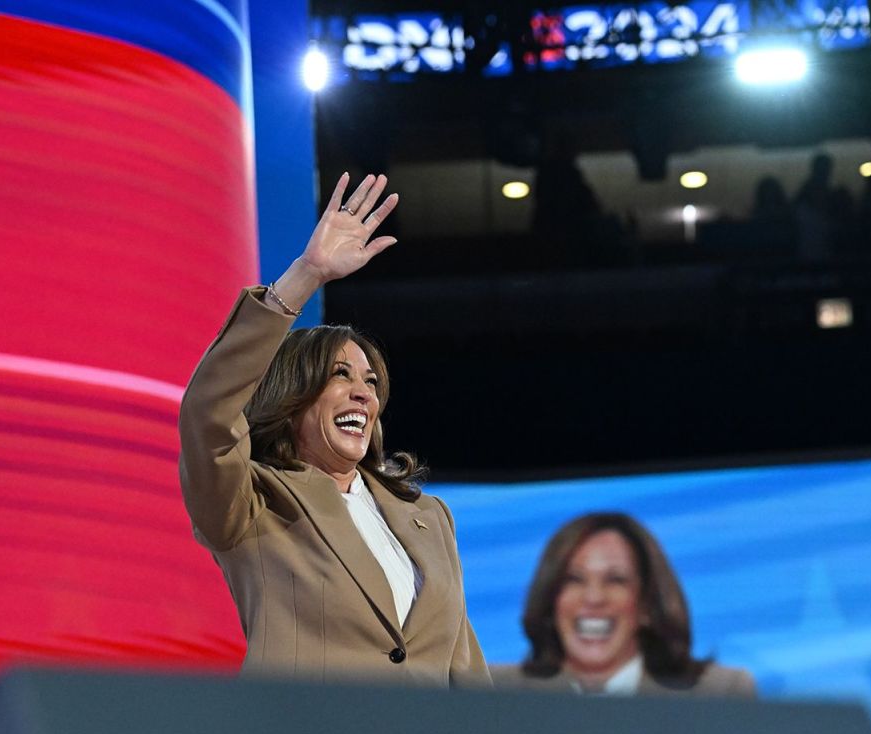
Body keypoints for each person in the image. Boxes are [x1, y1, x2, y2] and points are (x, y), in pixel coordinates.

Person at [178, 173, 491, 688]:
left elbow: (464, 668)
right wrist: (306, 275)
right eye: (339, 377)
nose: (363, 394)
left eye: (370, 382)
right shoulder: (252, 503)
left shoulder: (429, 519)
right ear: (293, 396)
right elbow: (208, 413)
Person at [493, 512, 754, 697]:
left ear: (646, 606)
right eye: (574, 580)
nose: (594, 598)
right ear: (551, 601)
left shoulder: (720, 693)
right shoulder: (493, 692)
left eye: (615, 580)